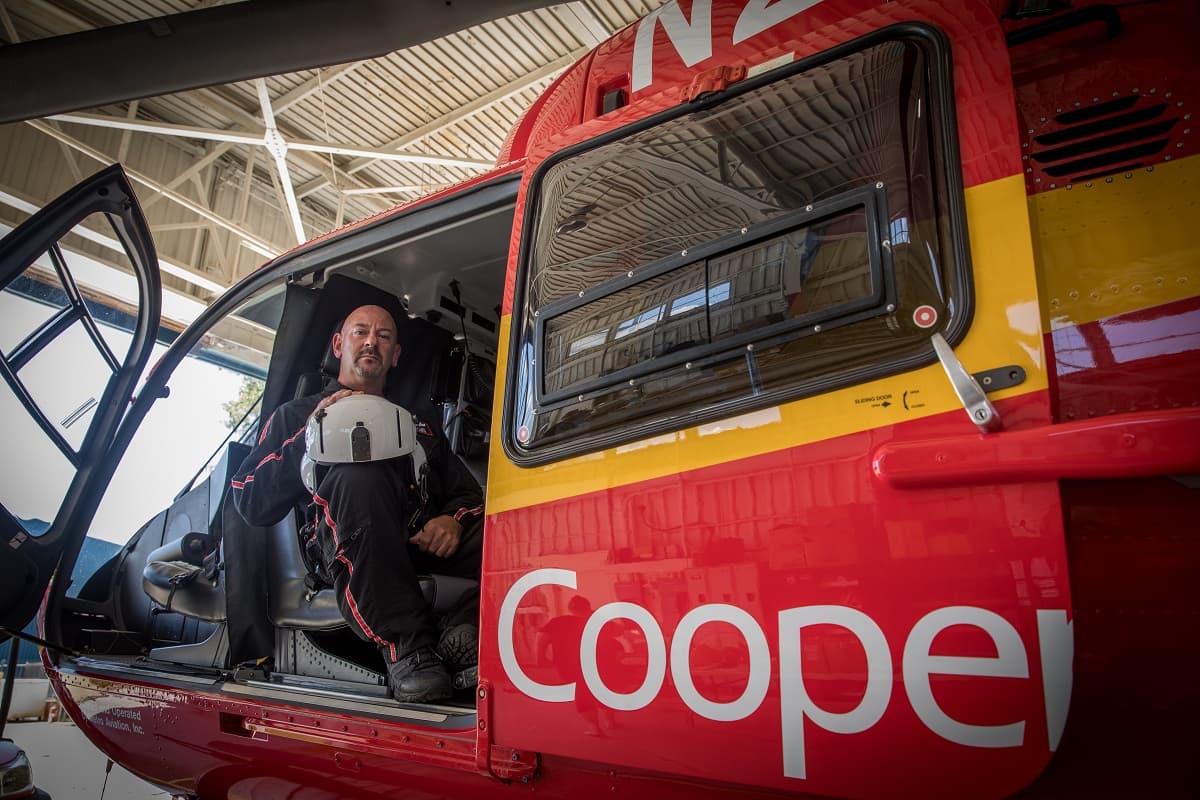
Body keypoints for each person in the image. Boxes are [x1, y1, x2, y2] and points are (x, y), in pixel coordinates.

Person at [230, 304, 483, 703]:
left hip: (421, 545)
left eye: (384, 336)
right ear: (338, 345)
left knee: (506, 528)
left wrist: (451, 521)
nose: (371, 342)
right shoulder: (296, 415)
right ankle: (409, 652)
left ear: (396, 354)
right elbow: (249, 497)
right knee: (357, 475)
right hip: (344, 545)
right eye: (360, 332)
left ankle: (466, 630)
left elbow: (470, 496)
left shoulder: (420, 424)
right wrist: (308, 436)